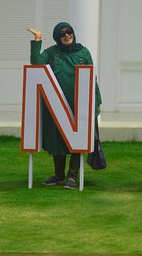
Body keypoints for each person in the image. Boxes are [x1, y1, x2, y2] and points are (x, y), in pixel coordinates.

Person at [27, 21, 101, 189]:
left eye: (69, 32)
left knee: (79, 139)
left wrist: (97, 100)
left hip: (79, 103)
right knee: (57, 138)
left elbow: (92, 78)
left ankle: (72, 176)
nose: (67, 35)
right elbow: (37, 64)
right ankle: (59, 175)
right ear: (57, 37)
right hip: (57, 103)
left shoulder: (83, 52)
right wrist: (37, 40)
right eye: (62, 34)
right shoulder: (52, 53)